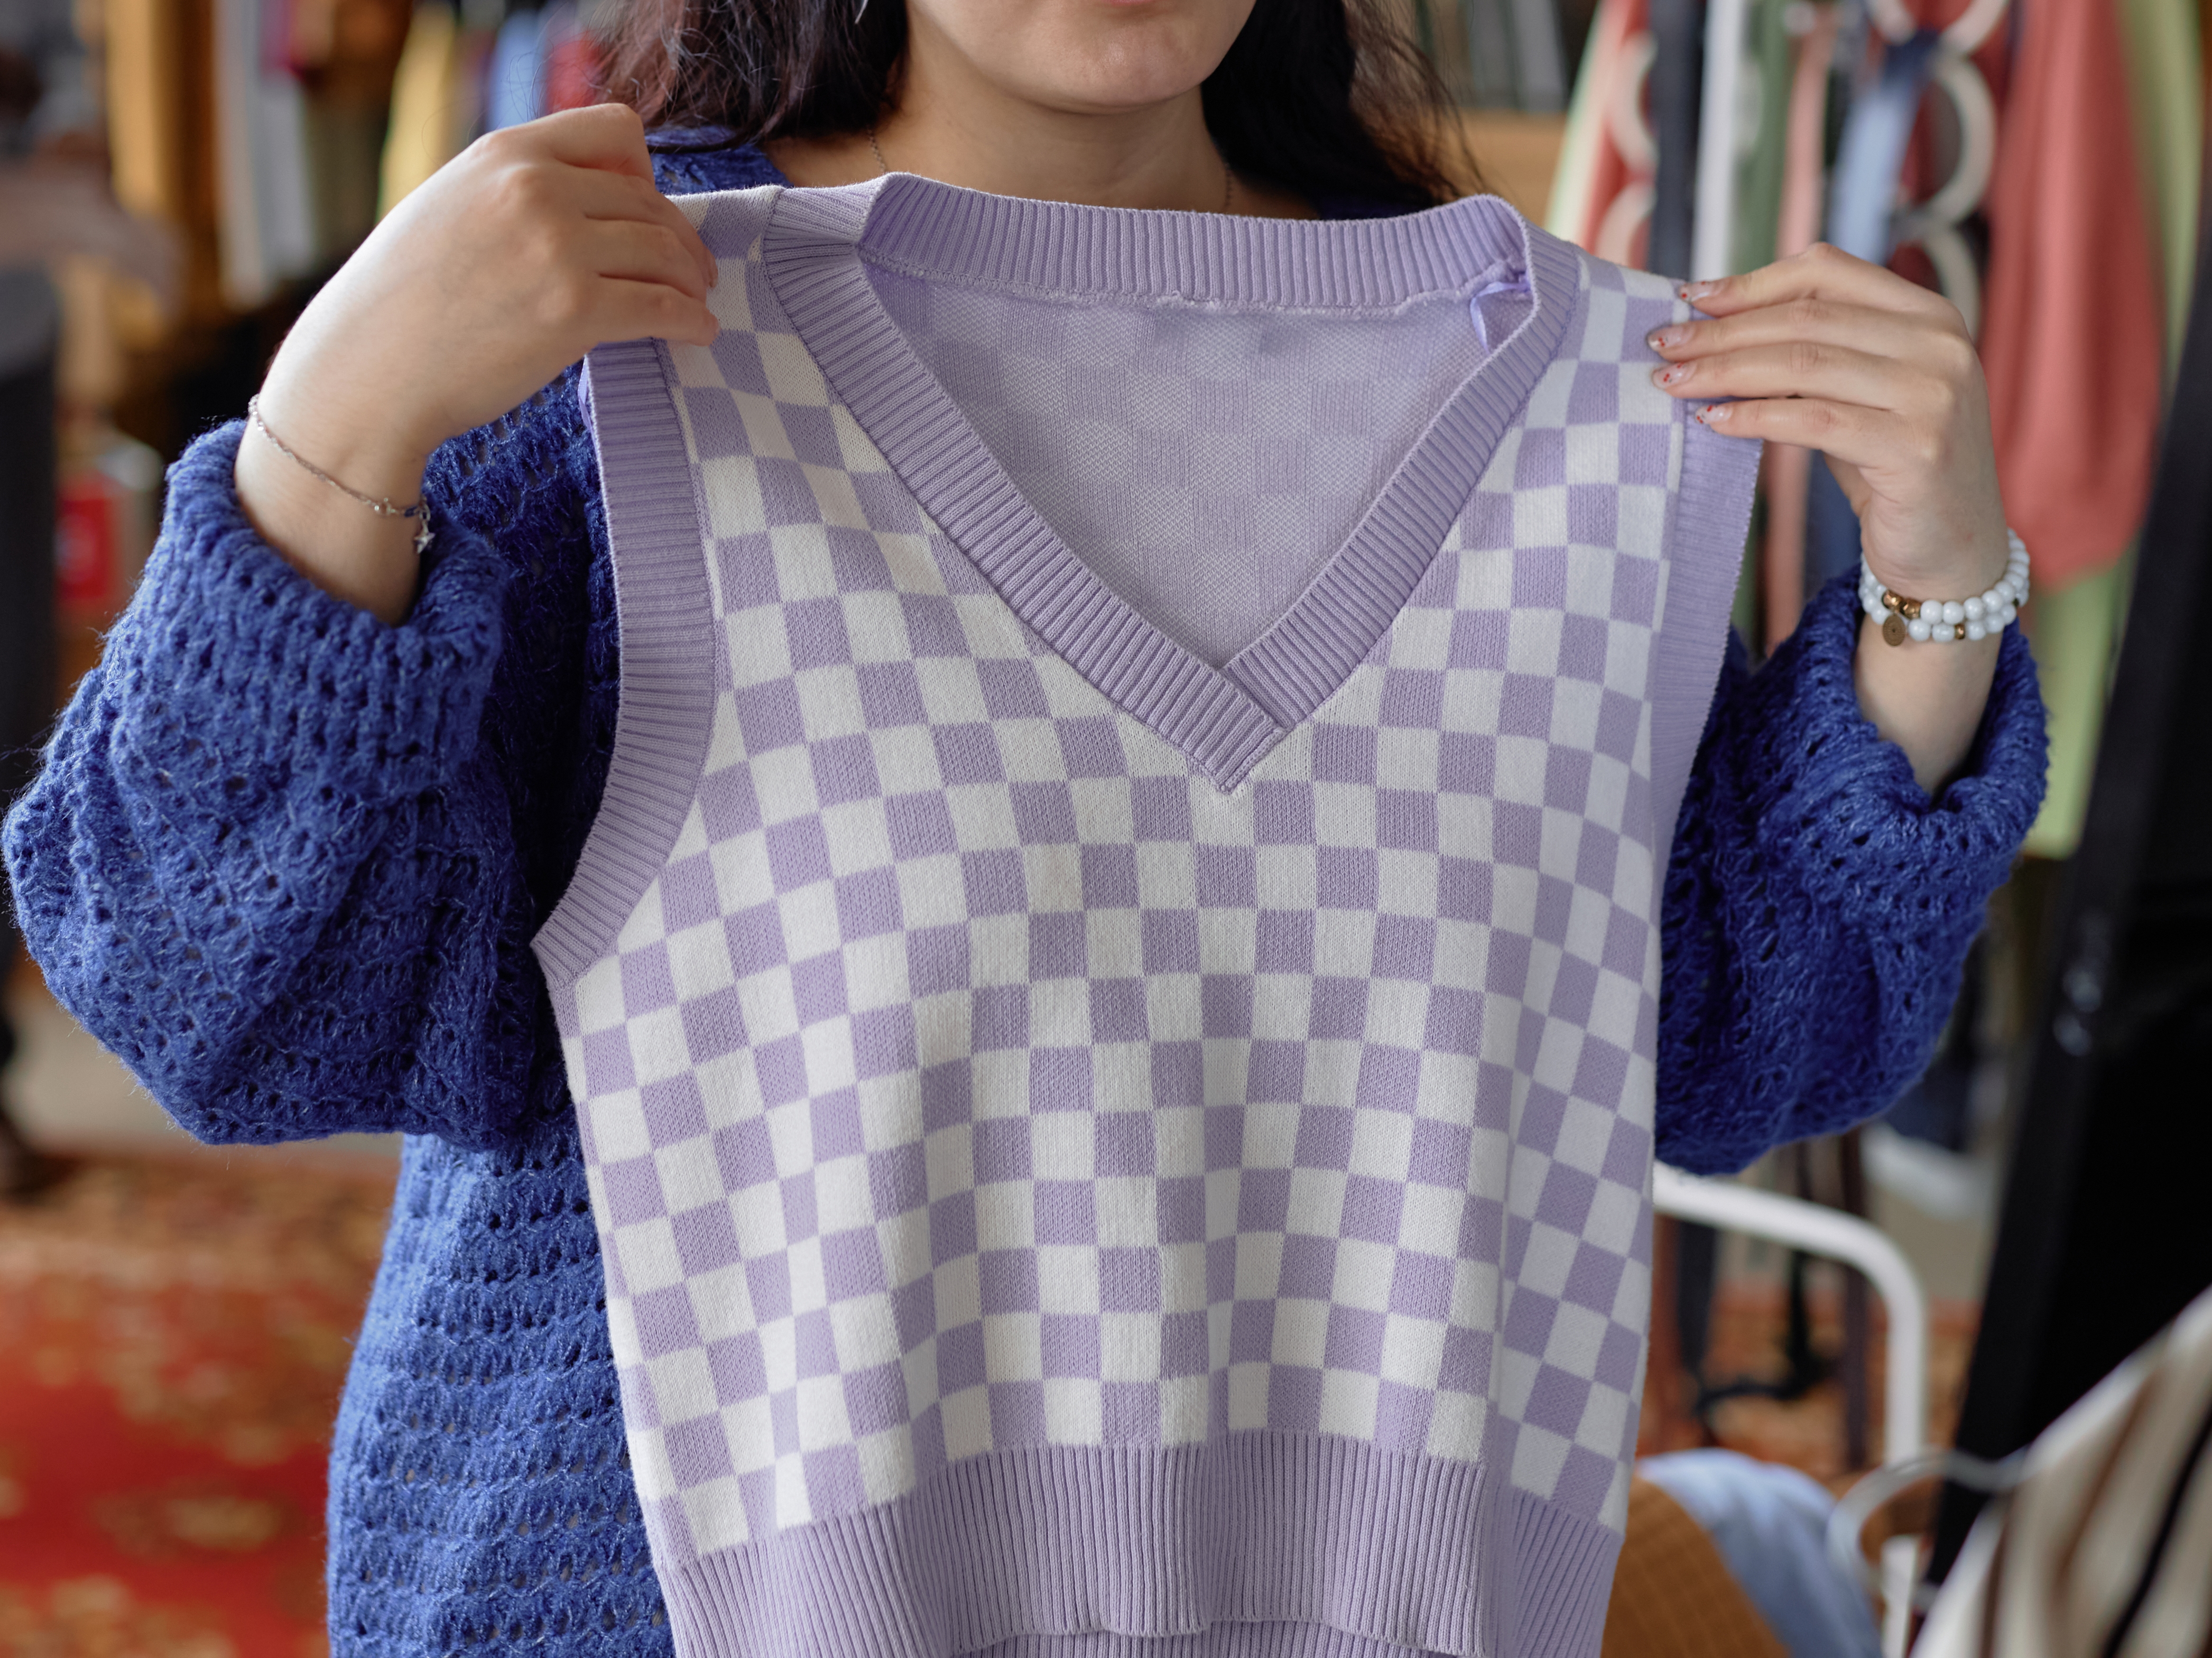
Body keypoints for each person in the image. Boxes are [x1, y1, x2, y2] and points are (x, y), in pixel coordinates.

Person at [1, 0, 2044, 1649]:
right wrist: (330, 430)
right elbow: (229, 1011)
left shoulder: (1592, 403)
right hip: (618, 1593)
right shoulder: (603, 345)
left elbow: (1717, 1060)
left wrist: (1936, 590)